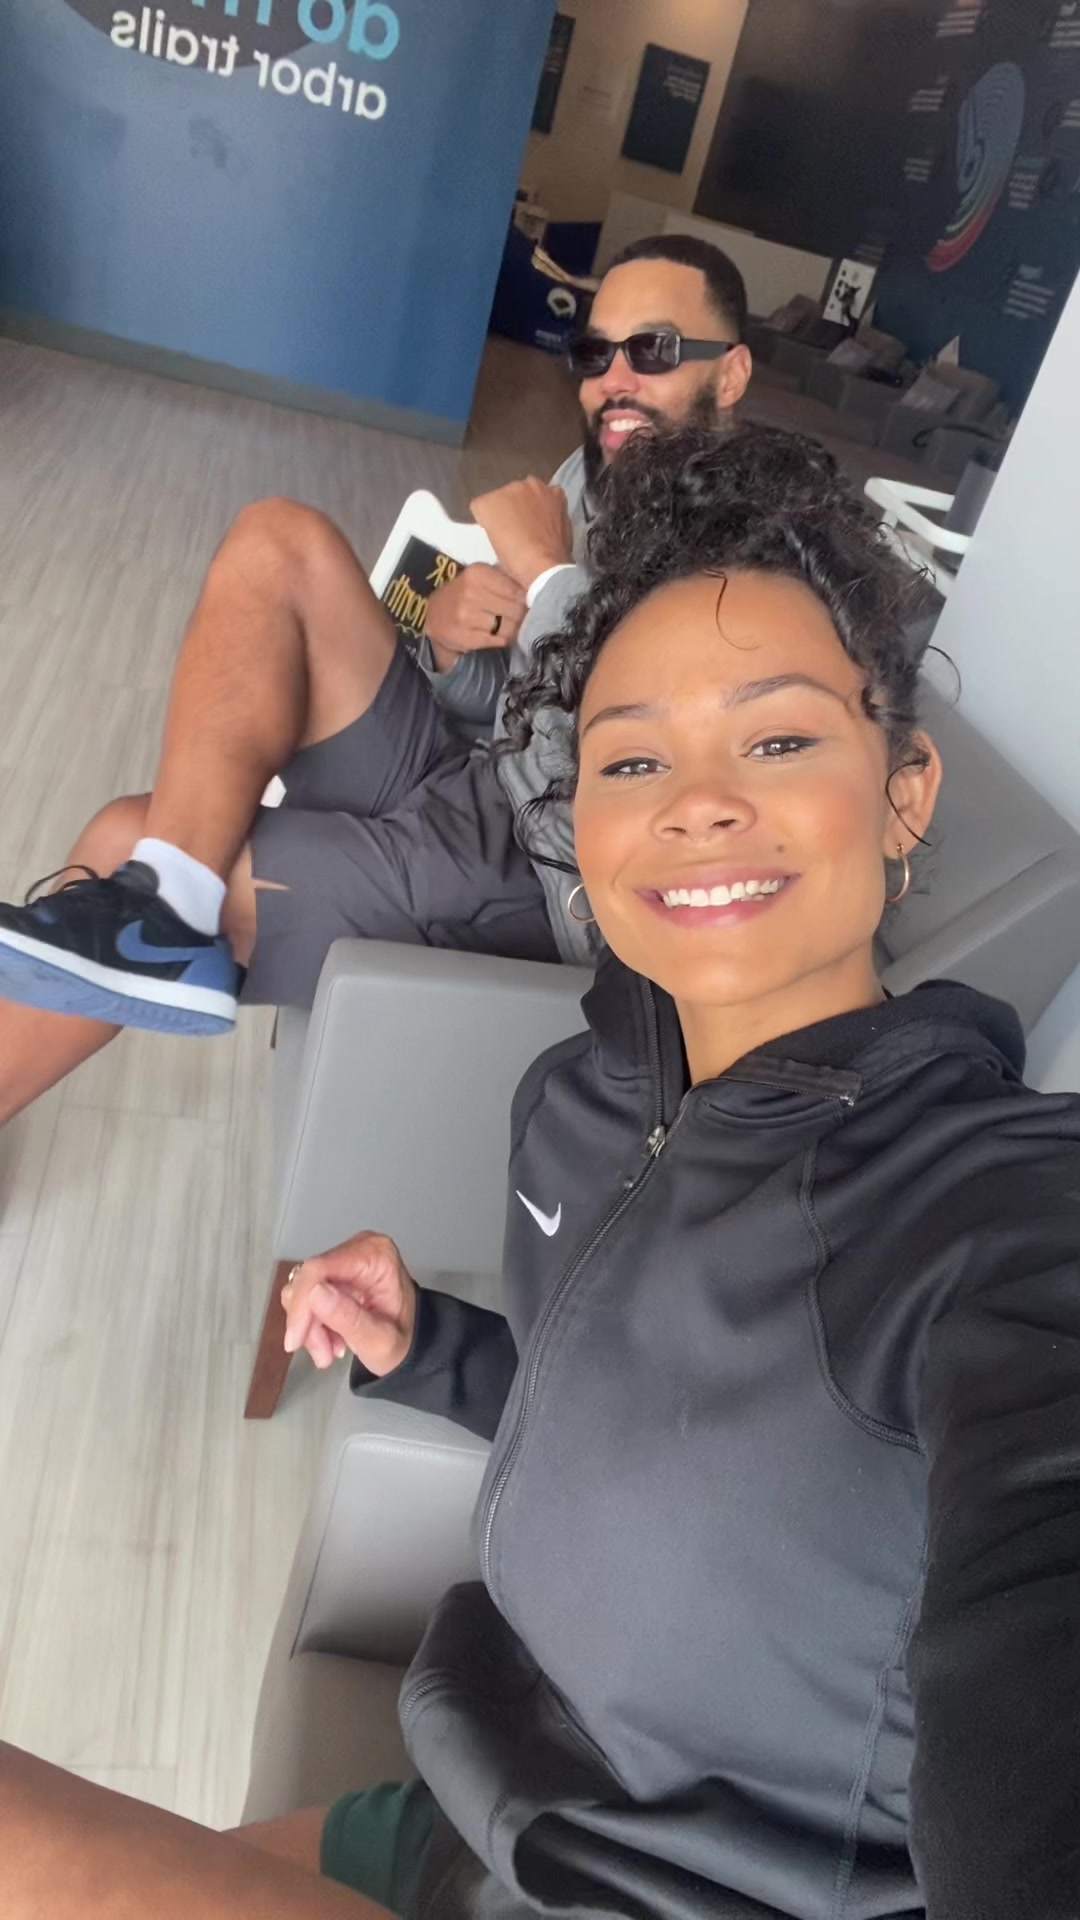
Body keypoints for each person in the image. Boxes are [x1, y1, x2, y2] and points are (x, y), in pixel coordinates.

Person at [5, 423, 1080, 1919]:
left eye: (778, 739)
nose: (697, 799)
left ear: (905, 791)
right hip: (480, 1803)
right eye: (633, 756)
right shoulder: (580, 1105)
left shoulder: (994, 1214)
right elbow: (643, 1414)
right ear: (584, 807)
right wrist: (432, 1347)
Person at [0, 234, 752, 1130]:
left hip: (554, 868)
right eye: (596, 353)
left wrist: (549, 575)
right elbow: (523, 695)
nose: (613, 381)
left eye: (653, 350)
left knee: (126, 834)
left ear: (731, 373)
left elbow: (644, 771)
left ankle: (162, 898)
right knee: (279, 539)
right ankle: (168, 895)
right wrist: (453, 646)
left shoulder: (758, 542)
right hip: (477, 779)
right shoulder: (593, 476)